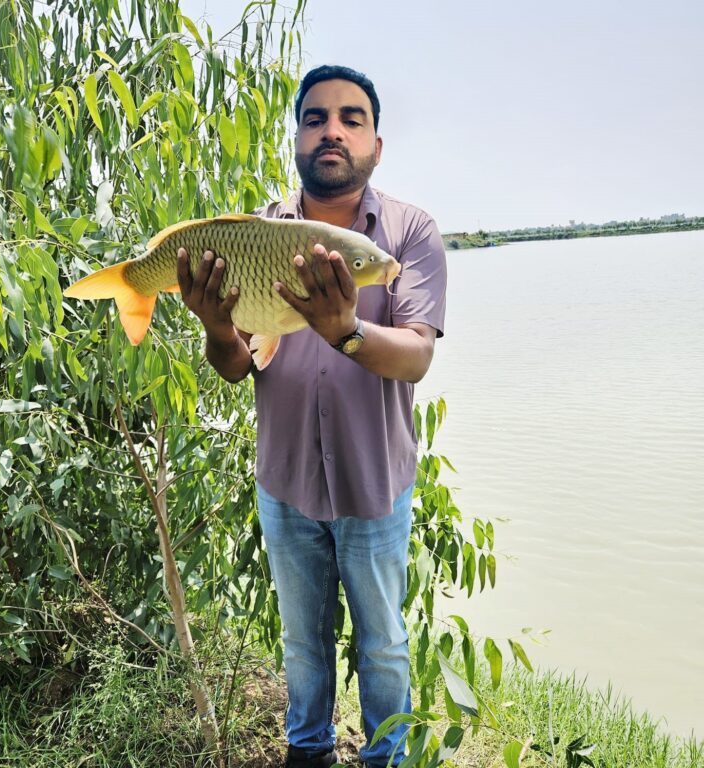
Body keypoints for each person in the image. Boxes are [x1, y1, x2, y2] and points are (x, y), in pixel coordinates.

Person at [177, 65, 447, 768]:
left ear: (375, 145)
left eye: (351, 119)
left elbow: (417, 355)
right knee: (302, 642)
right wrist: (215, 327)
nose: (332, 130)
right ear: (296, 138)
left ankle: (386, 757)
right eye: (315, 118)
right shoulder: (255, 233)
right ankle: (308, 751)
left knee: (383, 644)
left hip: (374, 483)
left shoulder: (409, 233)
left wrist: (344, 332)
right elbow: (236, 364)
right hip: (287, 482)